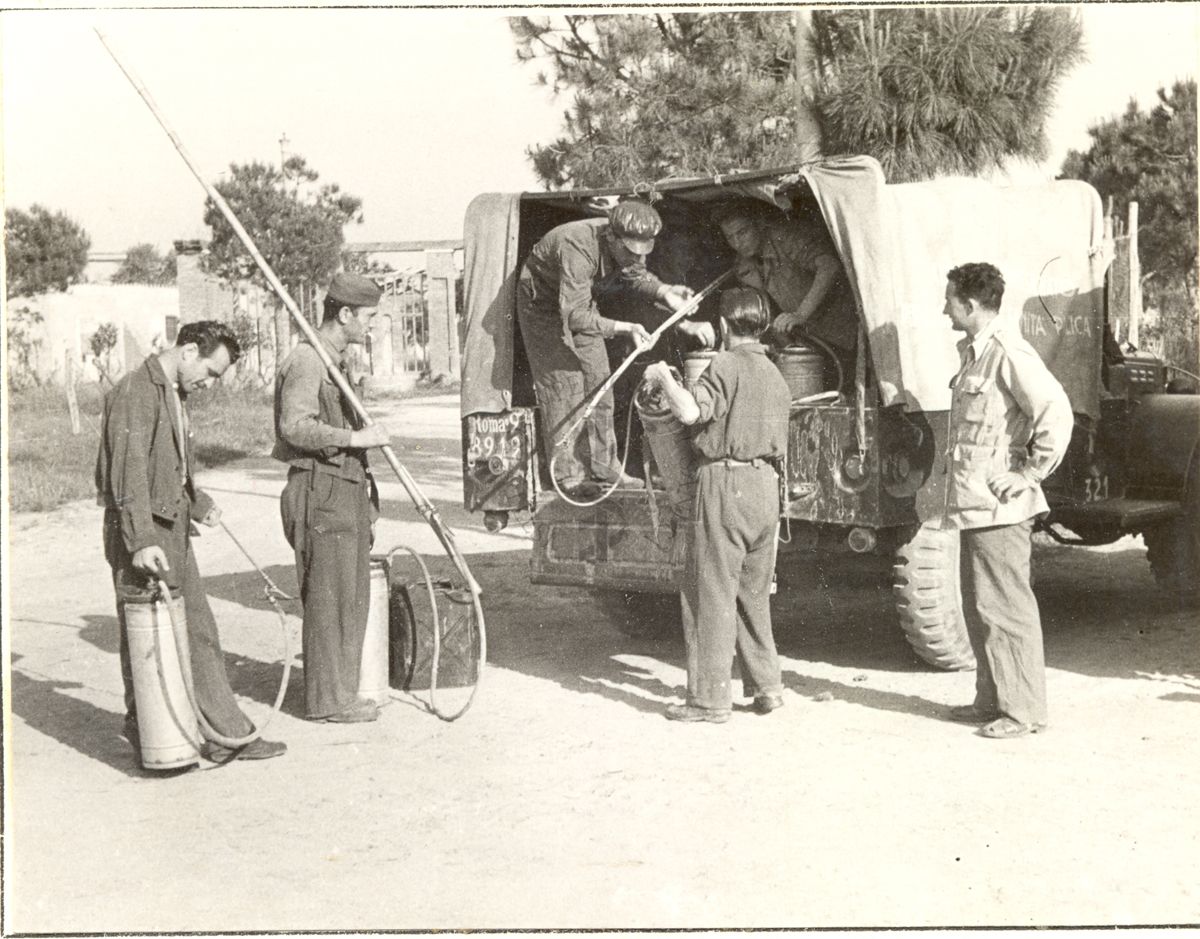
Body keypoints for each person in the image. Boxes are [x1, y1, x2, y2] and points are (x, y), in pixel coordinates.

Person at [96, 320, 286, 764]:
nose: (210, 383)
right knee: (165, 632)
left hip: (168, 527)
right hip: (144, 532)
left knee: (174, 630)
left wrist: (198, 504)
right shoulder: (136, 392)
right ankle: (215, 734)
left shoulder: (170, 391)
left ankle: (164, 726)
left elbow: (167, 466)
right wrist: (141, 540)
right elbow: (128, 476)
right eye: (211, 372)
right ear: (186, 351)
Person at [644, 287, 791, 723]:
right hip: (766, 488)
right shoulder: (775, 373)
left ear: (724, 326)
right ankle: (767, 688)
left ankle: (709, 700)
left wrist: (665, 378)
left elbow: (690, 414)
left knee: (710, 593)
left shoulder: (723, 365)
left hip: (725, 484)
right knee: (752, 594)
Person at [940, 262, 1074, 739]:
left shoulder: (1007, 352)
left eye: (950, 300)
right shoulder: (976, 352)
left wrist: (1030, 474)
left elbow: (1055, 411)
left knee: (1005, 608)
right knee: (981, 607)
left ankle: (1022, 712)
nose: (944, 308)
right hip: (976, 504)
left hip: (999, 506)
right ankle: (992, 699)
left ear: (971, 306)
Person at [274, 272, 392, 724]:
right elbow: (295, 427)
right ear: (344, 315)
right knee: (329, 602)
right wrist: (356, 438)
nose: (373, 327)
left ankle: (340, 691)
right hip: (319, 487)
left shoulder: (336, 361)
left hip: (344, 488)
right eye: (369, 318)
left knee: (349, 598)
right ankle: (329, 701)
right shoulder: (308, 361)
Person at [517, 200, 698, 495]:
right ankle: (569, 476)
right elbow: (574, 317)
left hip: (579, 303)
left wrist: (666, 292)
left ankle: (606, 468)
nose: (636, 258)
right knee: (565, 384)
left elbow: (635, 275)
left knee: (600, 378)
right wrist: (625, 328)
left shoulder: (628, 246)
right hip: (542, 305)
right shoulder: (576, 245)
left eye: (643, 251)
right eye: (629, 251)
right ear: (611, 237)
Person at [715, 201, 857, 379]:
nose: (737, 243)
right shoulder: (743, 264)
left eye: (742, 232)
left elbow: (829, 266)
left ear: (758, 224)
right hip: (809, 342)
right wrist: (789, 349)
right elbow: (769, 316)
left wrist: (801, 314)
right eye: (730, 237)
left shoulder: (784, 238)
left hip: (843, 331)